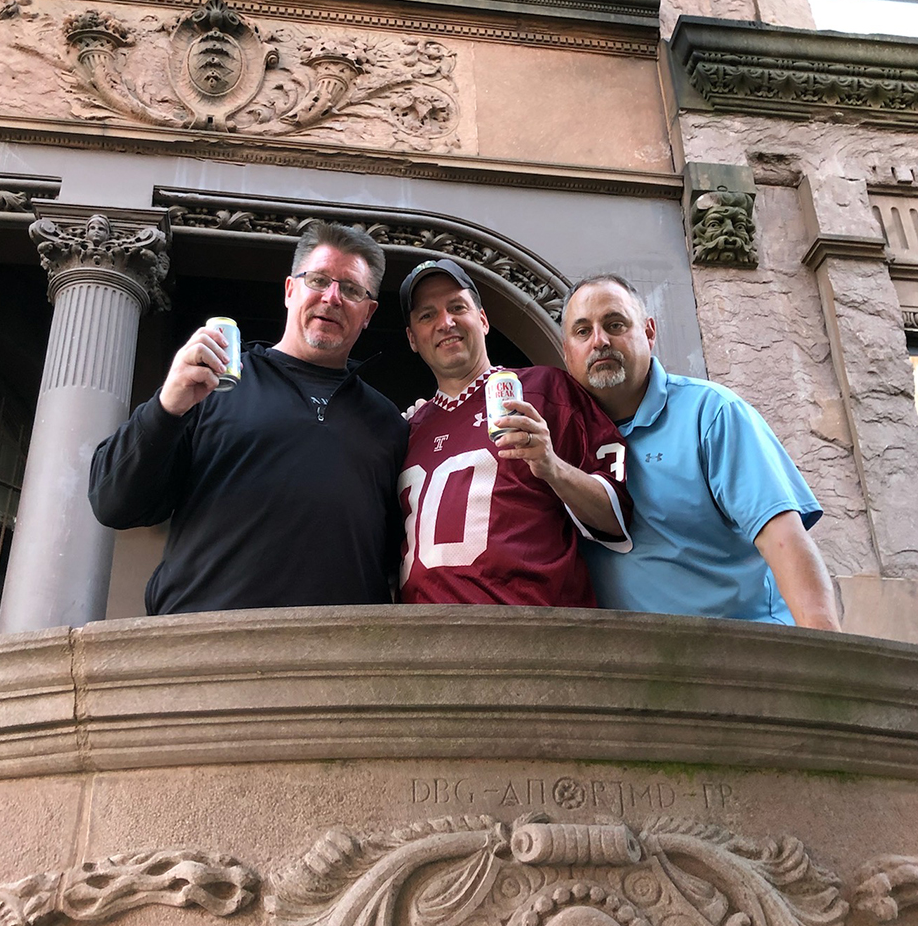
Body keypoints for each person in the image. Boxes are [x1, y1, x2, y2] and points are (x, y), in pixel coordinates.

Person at [89, 221, 409, 614]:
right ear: (290, 290)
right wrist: (166, 407)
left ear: (369, 313)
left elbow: (404, 553)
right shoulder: (210, 386)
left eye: (352, 289)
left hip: (337, 656)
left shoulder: (387, 423)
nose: (332, 297)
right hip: (207, 645)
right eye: (318, 280)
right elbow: (113, 503)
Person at [562, 274, 841, 631]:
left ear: (649, 332)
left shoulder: (712, 413)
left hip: (745, 655)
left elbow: (784, 537)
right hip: (638, 672)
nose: (600, 340)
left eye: (615, 324)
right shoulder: (562, 440)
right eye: (582, 332)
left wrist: (824, 656)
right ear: (567, 353)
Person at [398, 258, 632, 605]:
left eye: (457, 307)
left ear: (482, 319)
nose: (445, 322)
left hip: (529, 633)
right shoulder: (406, 431)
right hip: (426, 641)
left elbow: (617, 517)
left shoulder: (543, 388)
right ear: (413, 339)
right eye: (427, 315)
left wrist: (552, 467)